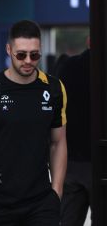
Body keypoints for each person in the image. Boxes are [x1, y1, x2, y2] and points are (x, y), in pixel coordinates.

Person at [0, 20, 67, 226]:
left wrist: (56, 193)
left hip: (41, 205)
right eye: (21, 55)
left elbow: (58, 143)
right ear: (8, 49)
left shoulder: (54, 88)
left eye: (34, 55)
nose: (28, 61)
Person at [57, 37, 92, 226]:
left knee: (69, 220)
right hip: (100, 161)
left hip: (70, 161)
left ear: (88, 41)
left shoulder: (67, 68)